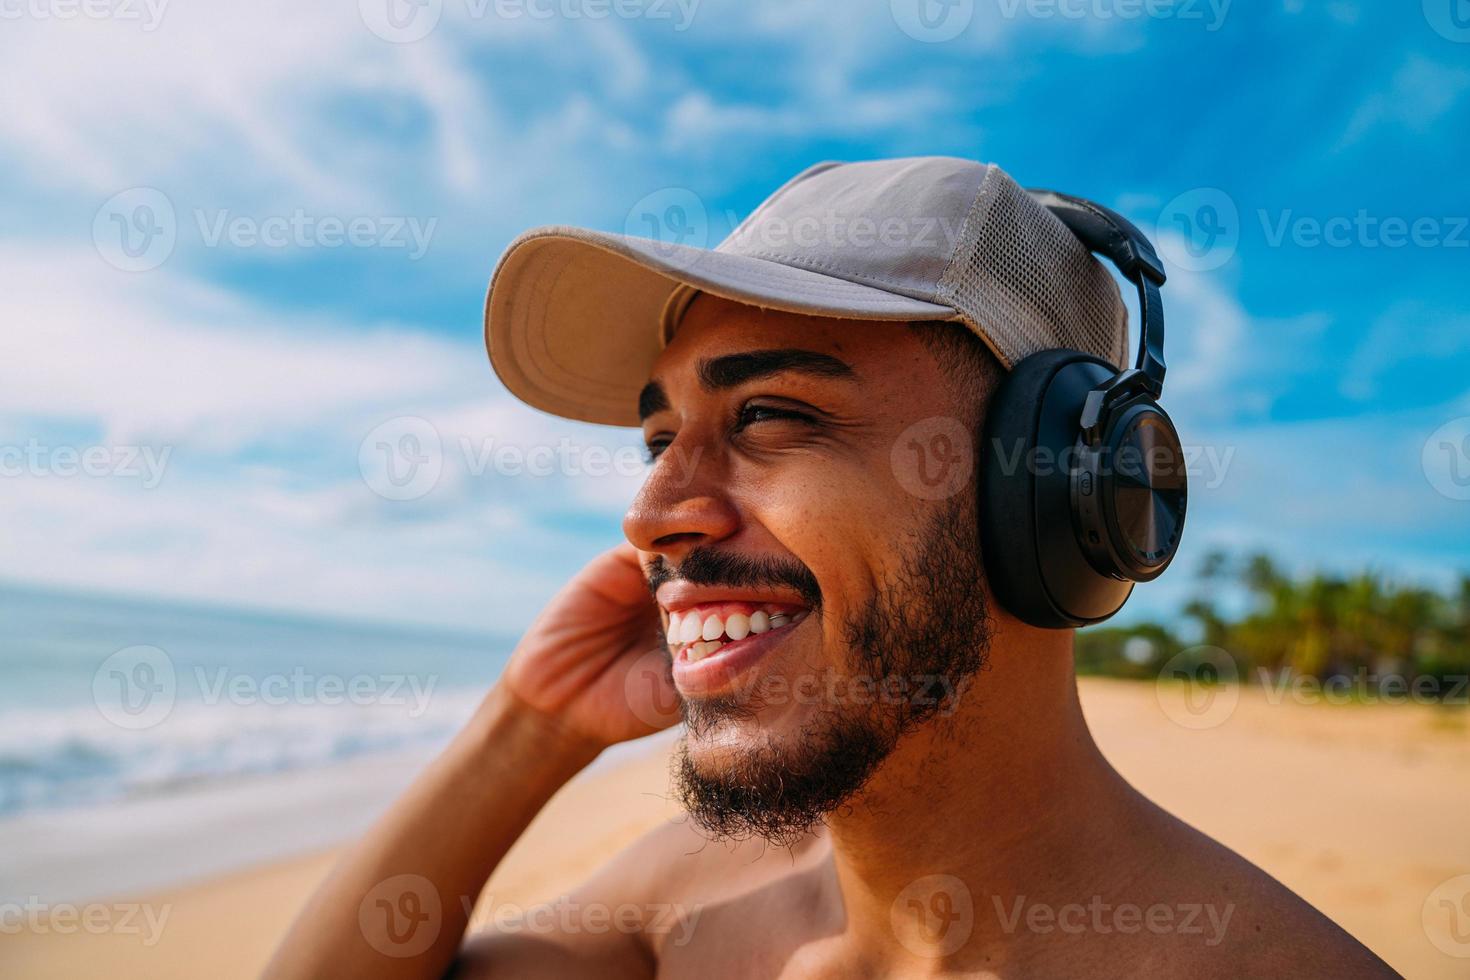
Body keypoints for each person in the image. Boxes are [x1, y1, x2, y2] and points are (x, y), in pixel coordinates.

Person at [267, 157, 1394, 978]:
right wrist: (527, 725)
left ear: (1053, 488)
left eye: (770, 415)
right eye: (662, 438)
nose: (649, 513)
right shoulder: (690, 901)